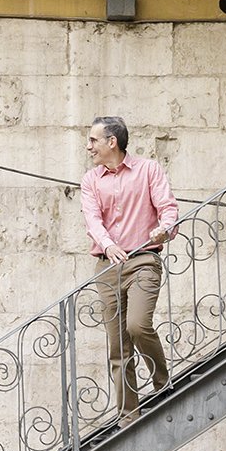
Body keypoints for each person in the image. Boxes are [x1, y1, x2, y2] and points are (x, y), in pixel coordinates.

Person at [81, 116, 178, 427]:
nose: (88, 146)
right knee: (117, 346)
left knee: (137, 325)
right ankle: (128, 415)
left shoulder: (148, 170)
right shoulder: (91, 180)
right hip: (108, 267)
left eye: (93, 140)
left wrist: (165, 229)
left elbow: (168, 208)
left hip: (143, 260)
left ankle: (162, 381)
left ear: (112, 142)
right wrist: (108, 245)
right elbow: (93, 220)